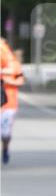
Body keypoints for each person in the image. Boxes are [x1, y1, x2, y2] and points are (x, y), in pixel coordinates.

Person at [1, 37, 25, 165]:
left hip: (9, 104)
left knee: (5, 134)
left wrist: (8, 81)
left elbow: (20, 80)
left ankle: (5, 149)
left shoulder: (14, 65)